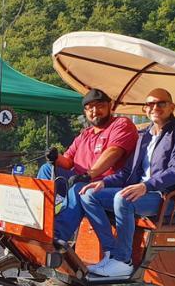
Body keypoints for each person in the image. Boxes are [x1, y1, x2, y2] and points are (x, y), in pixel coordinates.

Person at [80, 88, 175, 278]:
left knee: (122, 197)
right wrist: (104, 182)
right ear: (145, 109)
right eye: (150, 104)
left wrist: (146, 186)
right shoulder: (143, 136)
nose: (155, 107)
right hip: (140, 193)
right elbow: (128, 172)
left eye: (161, 103)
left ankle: (123, 261)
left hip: (166, 198)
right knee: (88, 195)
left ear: (172, 107)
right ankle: (112, 252)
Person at [41, 88, 139, 243]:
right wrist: (54, 157)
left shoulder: (121, 124)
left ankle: (57, 236)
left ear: (110, 106)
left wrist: (89, 175)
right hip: (83, 179)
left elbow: (114, 151)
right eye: (89, 108)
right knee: (47, 169)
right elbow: (67, 162)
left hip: (108, 185)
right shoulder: (85, 134)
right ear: (85, 111)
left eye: (99, 106)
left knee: (79, 187)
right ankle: (40, 219)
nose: (95, 111)